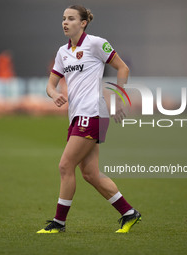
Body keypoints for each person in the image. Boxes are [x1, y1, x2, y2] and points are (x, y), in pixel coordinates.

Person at [37, 5, 141, 234]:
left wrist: (119, 100)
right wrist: (55, 95)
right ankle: (129, 213)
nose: (65, 22)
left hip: (93, 112)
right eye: (63, 18)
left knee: (65, 166)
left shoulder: (96, 43)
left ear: (83, 23)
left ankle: (59, 223)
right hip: (76, 115)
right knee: (90, 173)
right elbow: (50, 85)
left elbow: (122, 68)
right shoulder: (62, 52)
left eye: (71, 18)